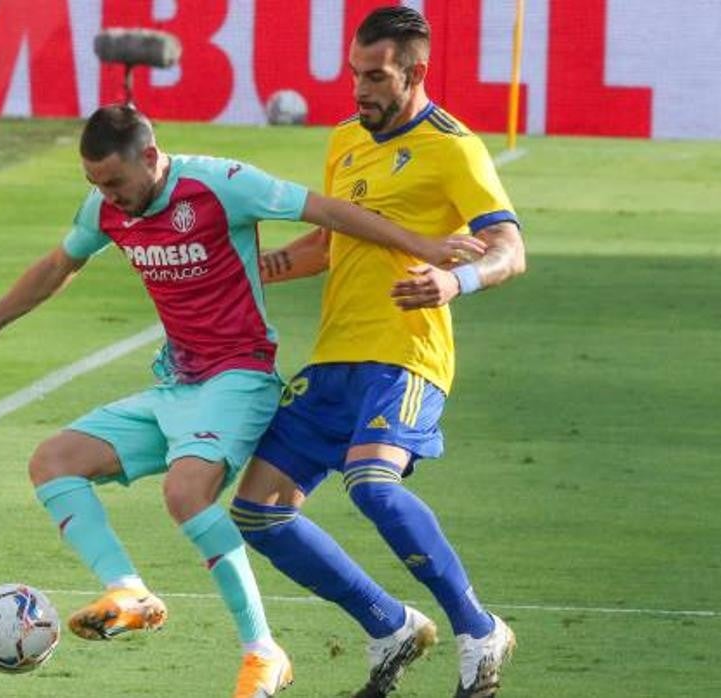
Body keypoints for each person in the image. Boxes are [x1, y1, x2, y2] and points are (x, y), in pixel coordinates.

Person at [0, 104, 485, 698]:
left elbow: (330, 212)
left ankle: (263, 652)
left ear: (149, 155)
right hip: (178, 384)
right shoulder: (108, 208)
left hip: (239, 379)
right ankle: (129, 590)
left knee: (185, 492)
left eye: (113, 182)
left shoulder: (221, 184)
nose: (107, 197)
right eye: (94, 184)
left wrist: (421, 243)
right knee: (52, 462)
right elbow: (60, 263)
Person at [230, 7, 527, 698]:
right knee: (258, 511)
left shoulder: (454, 148)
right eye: (355, 75)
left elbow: (511, 251)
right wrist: (258, 268)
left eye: (375, 77)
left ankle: (478, 628)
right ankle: (390, 624)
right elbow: (332, 244)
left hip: (407, 355)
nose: (359, 91)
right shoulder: (345, 142)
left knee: (372, 483)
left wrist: (455, 279)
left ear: (416, 71)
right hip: (336, 356)